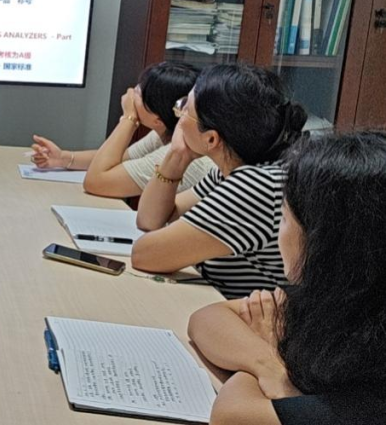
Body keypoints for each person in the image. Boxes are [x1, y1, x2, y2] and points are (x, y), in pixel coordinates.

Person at [188, 131, 386, 424]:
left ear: (323, 240)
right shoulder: (343, 296)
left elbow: (232, 416)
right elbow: (207, 319)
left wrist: (273, 349)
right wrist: (269, 365)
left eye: (282, 218)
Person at [131, 64, 307, 299]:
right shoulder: (238, 167)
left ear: (212, 139)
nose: (178, 117)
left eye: (185, 108)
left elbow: (145, 255)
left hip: (242, 315)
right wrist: (176, 156)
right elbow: (149, 219)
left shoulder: (256, 185)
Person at [31, 62, 215, 197]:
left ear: (158, 120)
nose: (131, 93)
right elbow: (119, 159)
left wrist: (129, 119)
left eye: (139, 92)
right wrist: (63, 158)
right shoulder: (166, 133)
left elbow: (96, 182)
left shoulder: (182, 153)